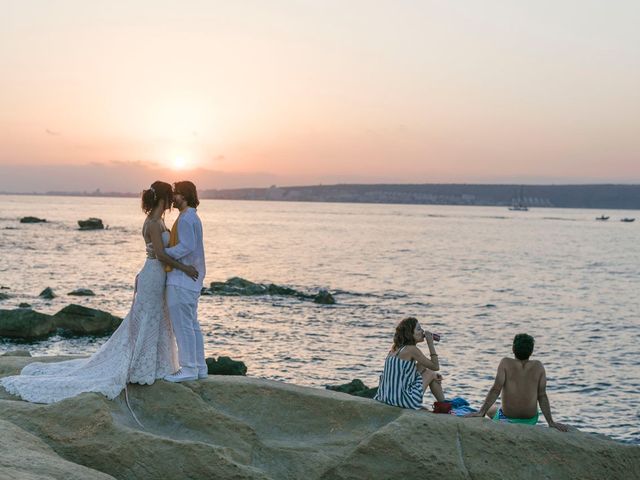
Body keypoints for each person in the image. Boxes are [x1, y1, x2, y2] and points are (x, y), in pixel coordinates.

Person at [0, 181, 199, 403]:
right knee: (149, 317)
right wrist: (185, 268)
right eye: (170, 195)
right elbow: (161, 255)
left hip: (155, 274)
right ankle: (141, 364)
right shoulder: (153, 222)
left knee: (156, 318)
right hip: (153, 274)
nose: (173, 199)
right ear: (164, 198)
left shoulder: (158, 220)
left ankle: (155, 362)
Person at [466, 333, 568, 431]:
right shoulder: (538, 366)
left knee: (490, 409)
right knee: (497, 408)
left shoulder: (505, 363)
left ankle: (485, 412)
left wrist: (481, 412)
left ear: (513, 349)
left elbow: (496, 390)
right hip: (530, 420)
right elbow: (542, 396)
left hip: (508, 418)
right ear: (531, 351)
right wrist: (550, 422)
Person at [158, 181, 207, 383]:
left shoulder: (187, 219)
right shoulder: (191, 217)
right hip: (189, 281)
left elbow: (186, 246)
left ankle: (188, 369)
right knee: (192, 325)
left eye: (176, 194)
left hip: (182, 280)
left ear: (184, 196)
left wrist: (163, 253)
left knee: (183, 326)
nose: (173, 198)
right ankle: (200, 367)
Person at [374, 317, 445, 409]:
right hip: (403, 400)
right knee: (431, 373)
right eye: (419, 329)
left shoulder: (395, 348)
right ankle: (445, 406)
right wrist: (430, 344)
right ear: (409, 334)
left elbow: (411, 370)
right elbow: (435, 366)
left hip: (386, 397)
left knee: (426, 368)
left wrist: (434, 375)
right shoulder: (411, 349)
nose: (422, 331)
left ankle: (444, 404)